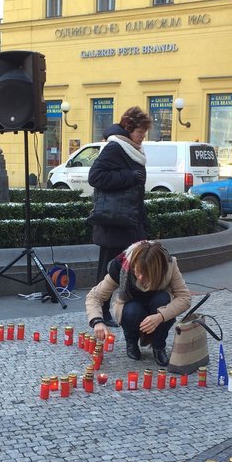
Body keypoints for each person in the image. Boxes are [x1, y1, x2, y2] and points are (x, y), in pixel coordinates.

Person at [88, 107, 151, 326]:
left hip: (130, 220)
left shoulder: (133, 149)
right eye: (141, 131)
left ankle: (131, 311)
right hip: (114, 222)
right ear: (129, 128)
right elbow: (95, 177)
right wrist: (129, 175)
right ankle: (100, 312)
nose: (143, 136)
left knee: (136, 266)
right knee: (108, 271)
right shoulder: (116, 147)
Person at [85, 240, 192, 366]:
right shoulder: (122, 265)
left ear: (157, 271)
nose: (140, 278)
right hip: (132, 305)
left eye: (146, 275)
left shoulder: (168, 265)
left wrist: (160, 316)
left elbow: (184, 297)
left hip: (157, 305)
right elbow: (94, 296)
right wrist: (98, 321)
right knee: (132, 310)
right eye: (137, 271)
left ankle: (158, 346)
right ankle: (131, 341)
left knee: (162, 299)